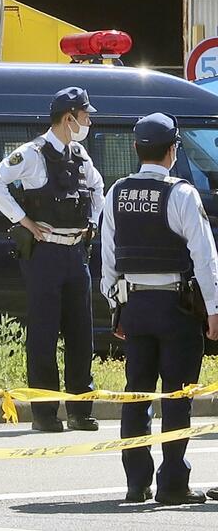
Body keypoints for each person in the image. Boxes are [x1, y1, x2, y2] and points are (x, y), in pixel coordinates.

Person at [100, 113, 218, 505]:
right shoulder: (181, 194)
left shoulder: (116, 193)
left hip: (135, 307)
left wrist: (116, 307)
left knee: (136, 395)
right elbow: (204, 257)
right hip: (177, 308)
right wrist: (214, 309)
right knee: (177, 395)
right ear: (173, 149)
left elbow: (108, 260)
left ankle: (136, 484)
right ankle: (172, 485)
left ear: (136, 148)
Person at [0, 86, 103, 433]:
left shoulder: (80, 154)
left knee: (81, 334)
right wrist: (24, 221)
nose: (89, 121)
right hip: (45, 253)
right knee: (44, 334)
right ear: (69, 118)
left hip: (76, 253)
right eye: (85, 115)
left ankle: (80, 409)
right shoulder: (32, 154)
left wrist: (92, 222)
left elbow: (98, 188)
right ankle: (45, 413)